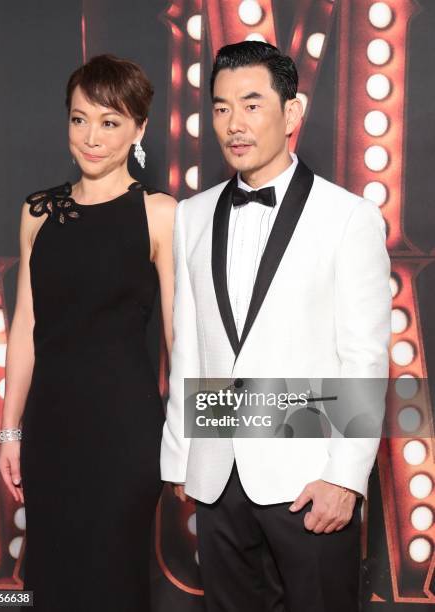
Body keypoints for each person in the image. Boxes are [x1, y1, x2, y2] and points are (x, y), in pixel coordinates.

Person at [161, 41, 391, 612]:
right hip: (217, 478)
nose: (233, 124)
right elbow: (192, 348)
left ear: (292, 112)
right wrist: (182, 459)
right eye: (219, 107)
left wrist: (345, 477)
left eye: (251, 104)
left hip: (309, 481)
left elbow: (365, 356)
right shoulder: (191, 216)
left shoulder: (349, 217)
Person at [0, 54, 176, 611]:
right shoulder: (38, 211)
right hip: (50, 429)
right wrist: (9, 430)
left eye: (110, 121)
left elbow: (180, 338)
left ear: (140, 128)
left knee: (114, 579)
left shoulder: (160, 214)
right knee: (51, 580)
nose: (91, 137)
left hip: (125, 433)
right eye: (80, 119)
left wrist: (191, 437)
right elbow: (25, 326)